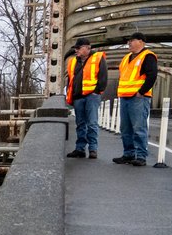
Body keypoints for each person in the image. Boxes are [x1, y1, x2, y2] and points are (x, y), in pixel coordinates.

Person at [112, 32, 158, 166]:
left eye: (132, 40)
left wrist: (141, 92)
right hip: (125, 96)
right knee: (125, 128)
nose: (129, 43)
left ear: (141, 42)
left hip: (138, 98)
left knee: (139, 128)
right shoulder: (126, 57)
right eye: (128, 41)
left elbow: (152, 75)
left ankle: (141, 156)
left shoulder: (148, 56)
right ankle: (128, 154)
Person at [64, 37, 106, 158]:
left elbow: (103, 77)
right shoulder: (73, 62)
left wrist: (97, 91)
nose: (76, 50)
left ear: (87, 48)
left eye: (78, 48)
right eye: (75, 48)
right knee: (80, 123)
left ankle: (93, 149)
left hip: (91, 96)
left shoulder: (98, 58)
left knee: (92, 123)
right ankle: (80, 149)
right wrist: (70, 96)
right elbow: (70, 80)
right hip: (78, 97)